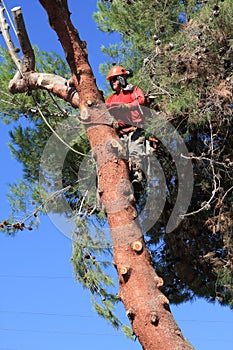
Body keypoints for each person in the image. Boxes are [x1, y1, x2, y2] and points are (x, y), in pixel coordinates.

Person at [105, 65, 146, 191]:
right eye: (111, 81)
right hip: (120, 134)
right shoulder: (111, 99)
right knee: (119, 161)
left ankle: (137, 179)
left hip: (134, 131)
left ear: (122, 79)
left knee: (135, 153)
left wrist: (127, 107)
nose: (113, 83)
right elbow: (104, 112)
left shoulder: (133, 90)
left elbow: (141, 100)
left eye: (114, 79)